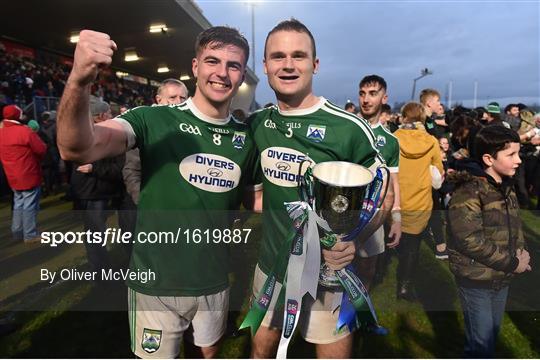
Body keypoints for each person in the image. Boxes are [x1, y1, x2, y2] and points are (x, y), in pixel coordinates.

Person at [57, 27, 260, 359]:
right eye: (212, 61)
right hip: (155, 285)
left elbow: (256, 199)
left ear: (241, 75)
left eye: (233, 65)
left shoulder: (246, 137)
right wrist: (79, 80)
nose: (222, 73)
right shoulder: (152, 119)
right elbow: (75, 147)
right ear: (195, 66)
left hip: (213, 281)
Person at [246, 19, 391, 358]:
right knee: (261, 352)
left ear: (315, 64)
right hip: (272, 268)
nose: (288, 65)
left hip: (330, 274)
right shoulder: (257, 125)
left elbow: (384, 194)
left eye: (299, 55)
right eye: (277, 56)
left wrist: (354, 237)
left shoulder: (348, 129)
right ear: (265, 66)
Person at [448, 125, 531, 358]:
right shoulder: (468, 191)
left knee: (490, 337)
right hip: (477, 281)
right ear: (488, 158)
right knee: (481, 345)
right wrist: (513, 263)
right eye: (511, 155)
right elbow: (469, 240)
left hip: (501, 277)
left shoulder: (506, 186)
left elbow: (514, 226)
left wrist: (521, 252)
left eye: (519, 154)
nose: (518, 161)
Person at [393, 102, 443, 301]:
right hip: (420, 200)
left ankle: (375, 276)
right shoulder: (431, 141)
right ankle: (405, 285)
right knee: (412, 247)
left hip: (395, 199)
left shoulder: (393, 138)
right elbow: (438, 174)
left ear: (404, 117)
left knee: (388, 242)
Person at [356, 74, 401, 290]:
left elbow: (394, 181)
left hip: (374, 215)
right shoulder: (346, 130)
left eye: (373, 94)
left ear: (384, 98)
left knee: (367, 268)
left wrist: (397, 217)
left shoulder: (391, 141)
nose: (366, 99)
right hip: (342, 212)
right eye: (362, 93)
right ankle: (333, 318)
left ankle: (358, 316)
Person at [0, 104, 47, 243]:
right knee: (29, 204)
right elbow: (41, 149)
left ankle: (18, 231)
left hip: (11, 174)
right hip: (28, 172)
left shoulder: (2, 132)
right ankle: (30, 234)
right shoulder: (24, 131)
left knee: (19, 202)